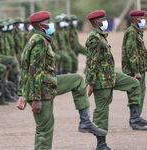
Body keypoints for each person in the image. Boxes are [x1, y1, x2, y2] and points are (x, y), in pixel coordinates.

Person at [18, 11, 106, 150]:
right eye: (48, 22)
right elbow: (33, 71)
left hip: (46, 84)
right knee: (44, 129)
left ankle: (85, 121)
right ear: (41, 25)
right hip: (41, 90)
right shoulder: (39, 43)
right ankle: (84, 121)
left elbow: (25, 68)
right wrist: (35, 98)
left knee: (77, 80)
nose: (51, 24)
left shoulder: (38, 39)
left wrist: (21, 93)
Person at [85, 10, 147, 150]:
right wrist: (90, 83)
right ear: (94, 22)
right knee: (102, 111)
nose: (105, 21)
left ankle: (134, 118)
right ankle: (101, 144)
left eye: (105, 17)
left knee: (133, 84)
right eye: (102, 19)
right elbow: (91, 62)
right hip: (100, 80)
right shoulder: (94, 38)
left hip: (110, 75)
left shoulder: (101, 36)